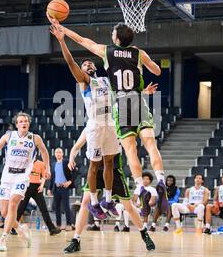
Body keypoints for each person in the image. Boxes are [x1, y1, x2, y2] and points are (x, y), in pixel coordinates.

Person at [47, 17, 169, 216]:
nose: (111, 35)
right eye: (85, 64)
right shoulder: (135, 54)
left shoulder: (106, 62)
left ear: (118, 39)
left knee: (127, 153)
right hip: (120, 110)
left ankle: (135, 189)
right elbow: (155, 70)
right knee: (147, 146)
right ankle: (159, 181)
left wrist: (62, 30)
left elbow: (82, 40)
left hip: (119, 110)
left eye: (113, 33)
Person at [50, 24, 121, 221]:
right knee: (94, 165)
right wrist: (62, 41)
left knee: (109, 162)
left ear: (95, 66)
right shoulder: (84, 81)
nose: (88, 65)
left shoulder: (106, 81)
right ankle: (94, 203)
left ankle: (107, 199)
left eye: (90, 63)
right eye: (85, 64)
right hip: (95, 126)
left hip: (110, 124)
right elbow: (70, 61)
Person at [64, 127, 155, 253]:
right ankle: (76, 239)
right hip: (96, 172)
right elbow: (76, 146)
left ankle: (144, 234)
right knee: (85, 202)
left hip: (114, 172)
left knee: (128, 206)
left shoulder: (116, 128)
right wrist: (71, 157)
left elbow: (129, 146)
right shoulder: (91, 127)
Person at [0, 112, 50, 251]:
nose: (24, 123)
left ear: (29, 123)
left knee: (13, 204)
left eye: (26, 121)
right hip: (7, 177)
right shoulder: (9, 136)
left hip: (22, 177)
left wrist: (47, 168)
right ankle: (20, 228)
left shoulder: (35, 138)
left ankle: (3, 238)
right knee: (4, 212)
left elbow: (45, 152)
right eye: (21, 121)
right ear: (16, 124)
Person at [16, 155, 61, 236]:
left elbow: (44, 176)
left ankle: (52, 229)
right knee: (20, 209)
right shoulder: (25, 163)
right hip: (26, 187)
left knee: (44, 209)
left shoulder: (41, 163)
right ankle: (13, 227)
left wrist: (42, 186)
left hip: (37, 188)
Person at [47, 148, 74, 230]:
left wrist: (70, 181)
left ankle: (69, 224)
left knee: (66, 207)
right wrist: (49, 188)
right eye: (56, 152)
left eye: (60, 152)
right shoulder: (53, 164)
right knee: (57, 207)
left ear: (62, 154)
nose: (58, 153)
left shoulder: (66, 162)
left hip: (64, 188)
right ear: (54, 154)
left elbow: (75, 172)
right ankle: (58, 225)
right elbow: (52, 178)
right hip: (56, 188)